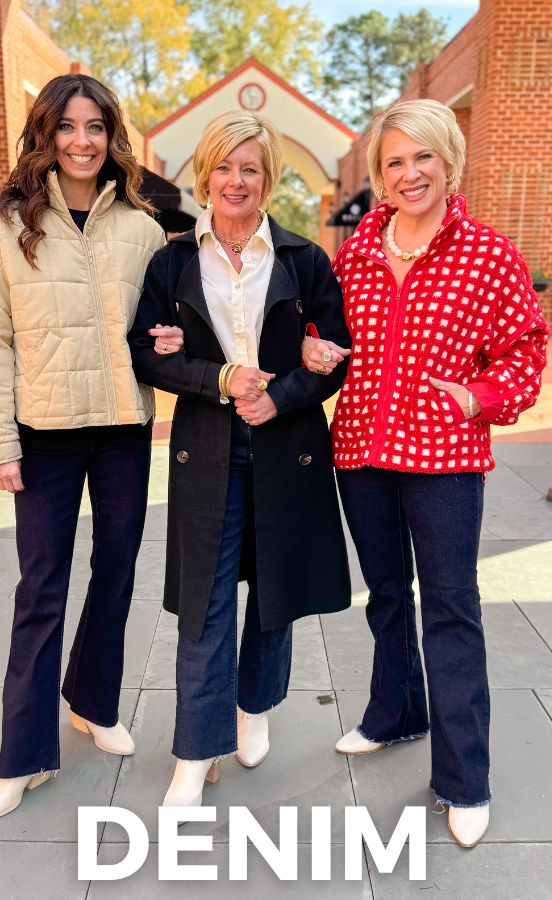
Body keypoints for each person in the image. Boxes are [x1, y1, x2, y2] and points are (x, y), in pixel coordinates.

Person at [303, 99, 549, 848]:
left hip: (444, 460)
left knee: (449, 608)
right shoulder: (356, 252)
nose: (409, 174)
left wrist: (479, 396)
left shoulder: (487, 253)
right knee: (383, 595)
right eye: (395, 161)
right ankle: (395, 711)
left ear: (449, 161)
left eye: (423, 158)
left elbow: (526, 351)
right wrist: (315, 349)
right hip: (362, 458)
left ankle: (464, 776)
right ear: (380, 174)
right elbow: (324, 332)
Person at [0, 73, 180, 823]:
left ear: (112, 135)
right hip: (43, 434)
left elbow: (166, 322)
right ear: (45, 133)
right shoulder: (3, 222)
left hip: (122, 427)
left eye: (95, 127)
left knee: (115, 572)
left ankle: (94, 702)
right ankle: (21, 758)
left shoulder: (144, 226)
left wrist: (173, 338)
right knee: (40, 591)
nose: (81, 142)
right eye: (66, 127)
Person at [128, 110, 352, 811]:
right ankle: (195, 753)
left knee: (274, 594)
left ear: (267, 178)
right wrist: (217, 380)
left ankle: (253, 709)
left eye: (249, 168)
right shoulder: (170, 261)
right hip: (207, 452)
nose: (235, 180)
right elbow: (144, 350)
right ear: (206, 175)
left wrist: (284, 392)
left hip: (289, 450)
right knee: (205, 603)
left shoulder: (303, 259)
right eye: (223, 166)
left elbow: (334, 353)